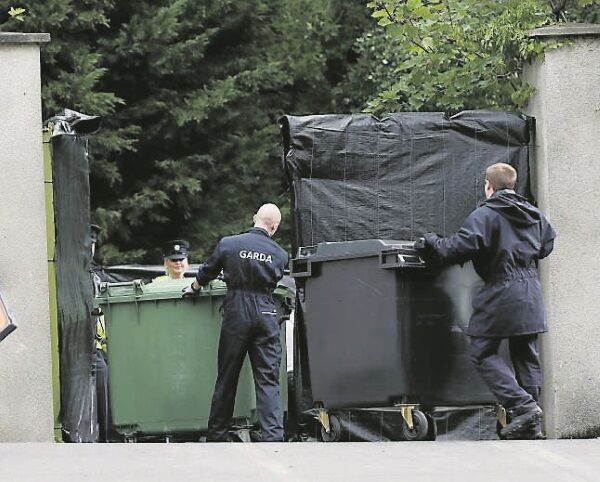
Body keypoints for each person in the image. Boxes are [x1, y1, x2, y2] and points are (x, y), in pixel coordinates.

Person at [419, 163, 555, 440]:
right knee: (525, 353)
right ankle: (531, 421)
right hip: (529, 290)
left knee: (482, 350)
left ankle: (524, 406)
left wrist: (432, 242)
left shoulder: (486, 214)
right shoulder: (535, 215)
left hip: (501, 290)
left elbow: (458, 248)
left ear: (488, 186)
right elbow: (547, 244)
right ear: (512, 185)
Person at [183, 203, 288, 442]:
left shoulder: (229, 244)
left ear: (254, 218)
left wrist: (194, 287)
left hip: (237, 312)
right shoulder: (281, 254)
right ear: (274, 227)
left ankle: (218, 434)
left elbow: (207, 271)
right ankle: (273, 436)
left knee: (227, 375)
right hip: (266, 313)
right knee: (268, 378)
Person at [90, 224, 111, 442]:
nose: (89, 248)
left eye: (93, 244)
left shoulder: (98, 275)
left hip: (98, 350)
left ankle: (105, 440)